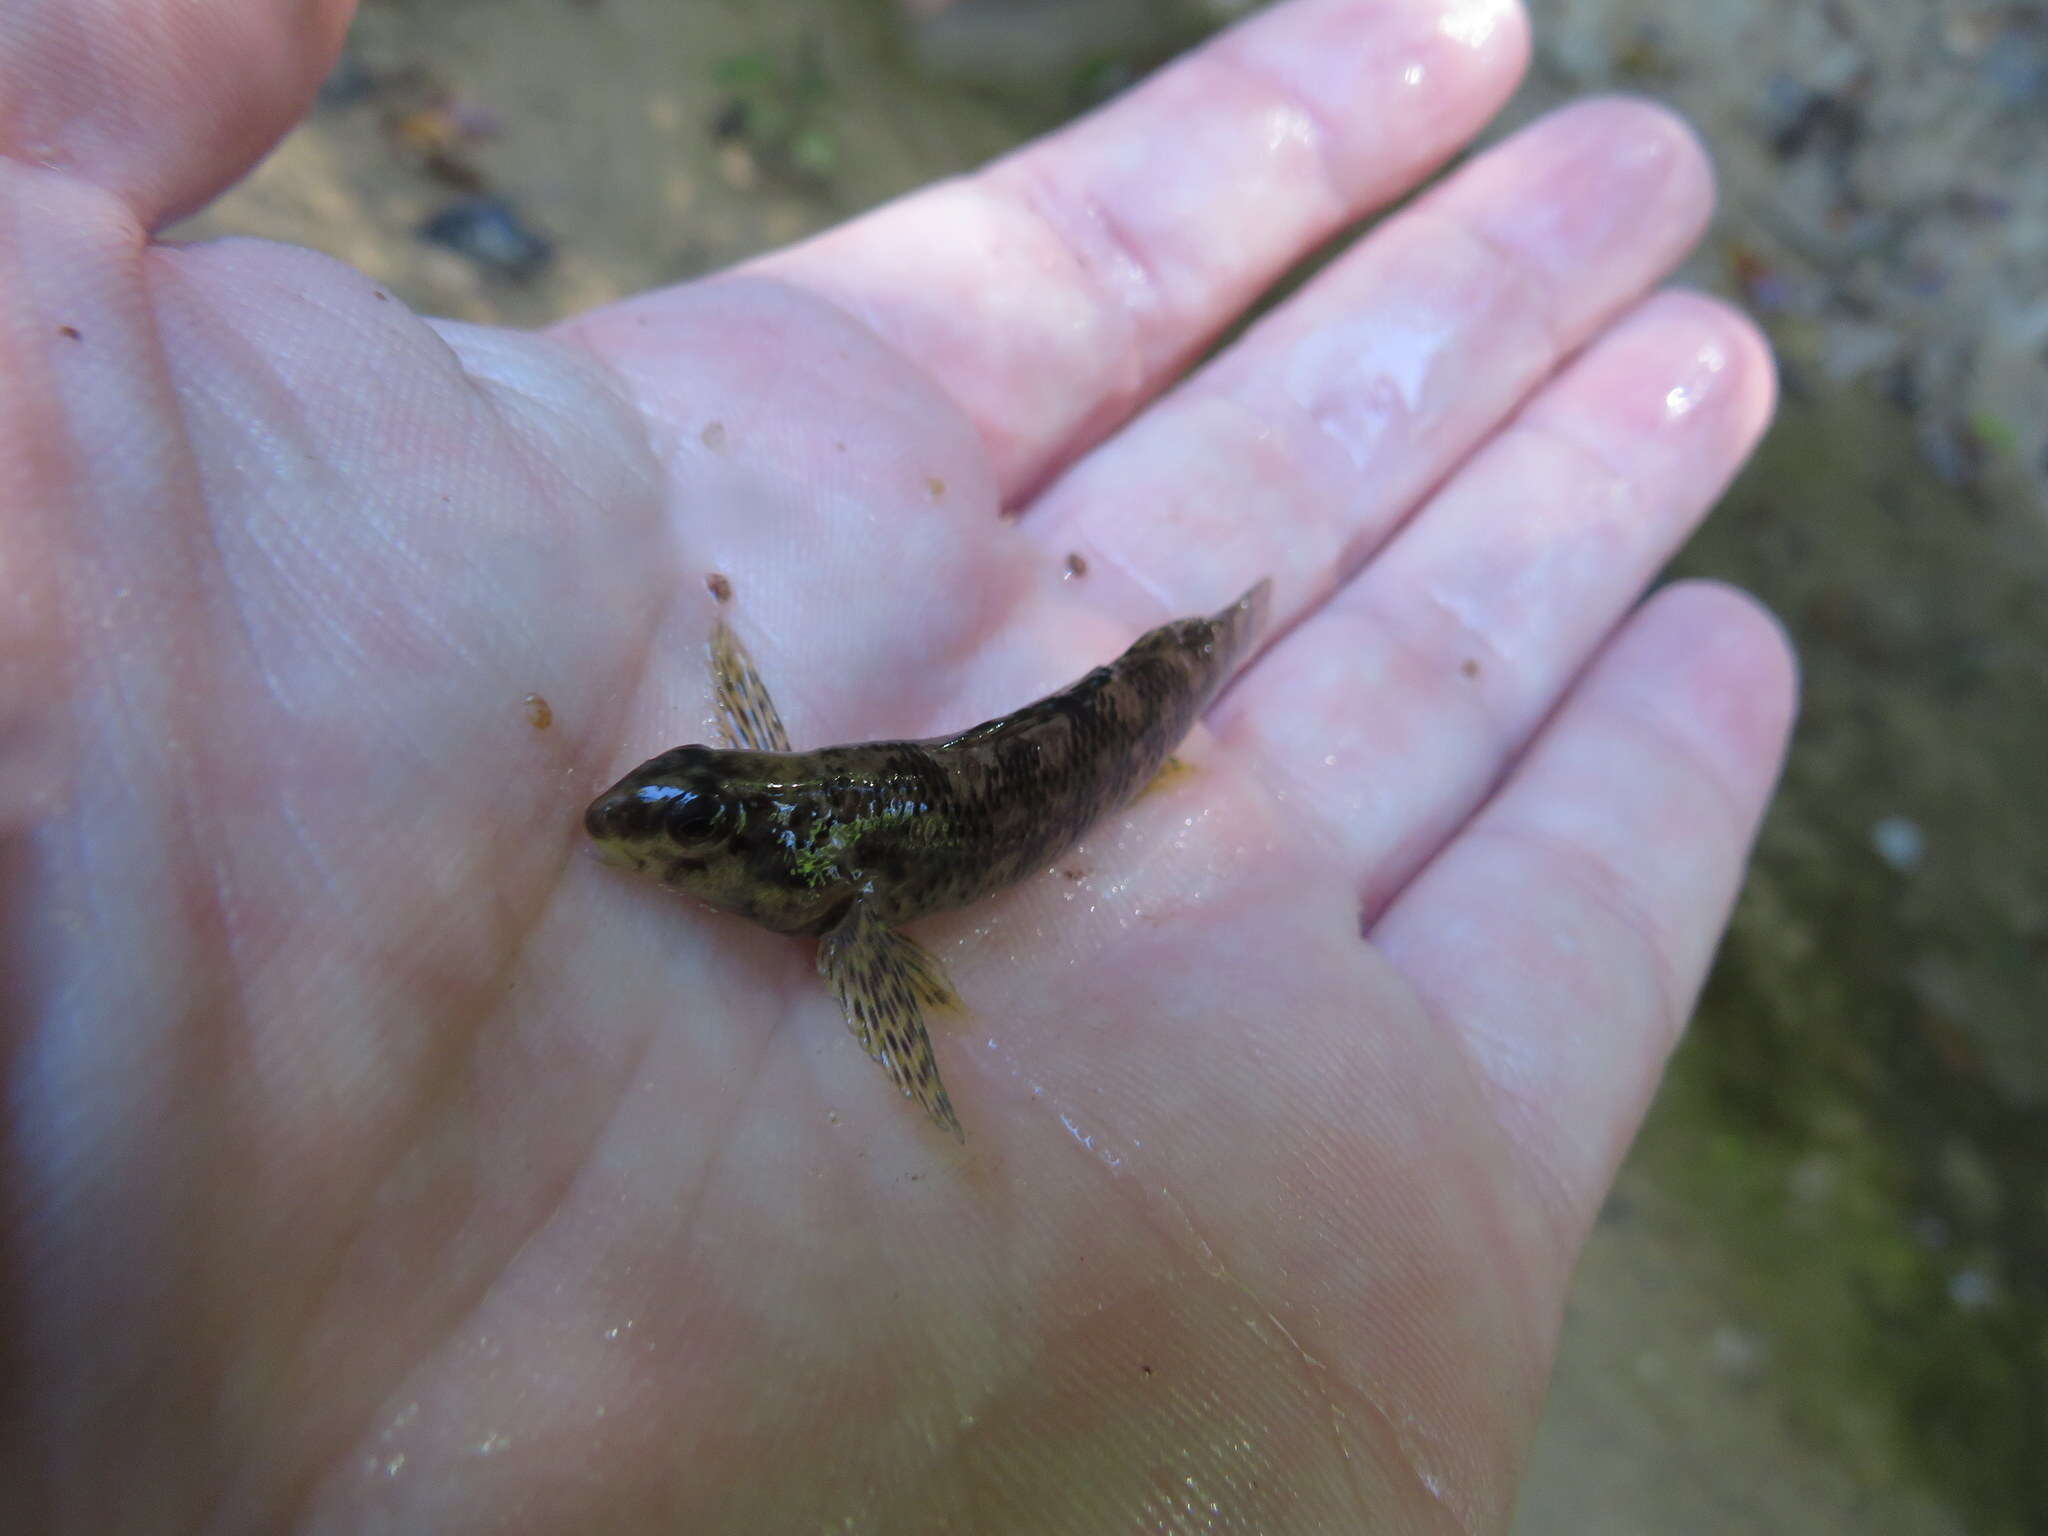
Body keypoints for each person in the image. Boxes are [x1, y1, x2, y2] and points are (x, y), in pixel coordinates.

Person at [0, 0, 1795, 1529]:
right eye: (695, 819)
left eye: (704, 837)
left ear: (808, 887)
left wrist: (922, 1073)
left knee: (1140, 702)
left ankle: (1199, 661)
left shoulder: (850, 894)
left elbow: (850, 913)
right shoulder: (788, 833)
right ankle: (1194, 657)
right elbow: (754, 771)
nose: (657, 836)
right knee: (1123, 701)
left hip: (1033, 754)